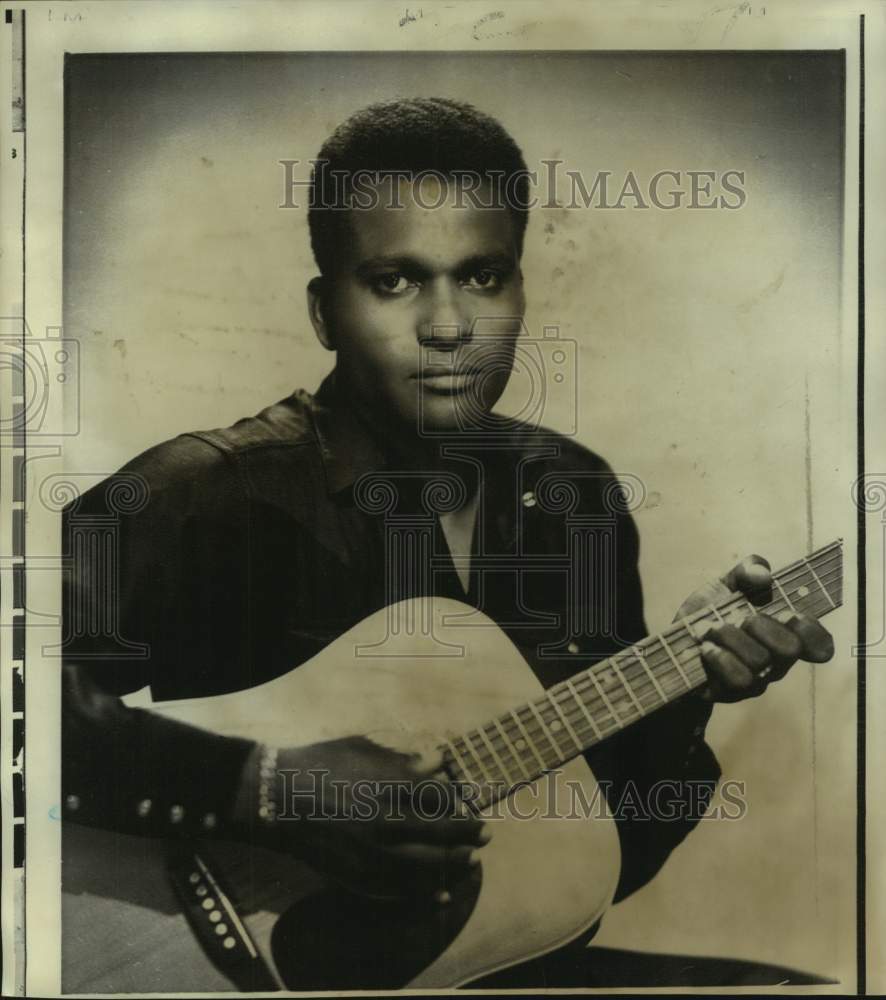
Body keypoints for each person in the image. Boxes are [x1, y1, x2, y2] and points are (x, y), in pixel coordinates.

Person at [61, 97, 834, 987]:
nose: (449, 325)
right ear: (324, 311)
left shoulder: (572, 495)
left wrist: (686, 692)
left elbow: (580, 873)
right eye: (393, 280)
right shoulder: (210, 488)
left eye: (483, 276)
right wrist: (263, 785)